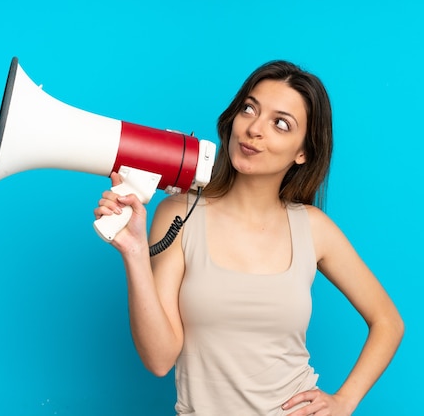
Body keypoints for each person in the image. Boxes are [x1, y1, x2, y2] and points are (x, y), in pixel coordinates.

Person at [94, 60, 404, 416]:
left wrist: (344, 401)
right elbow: (160, 359)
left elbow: (388, 321)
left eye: (280, 124)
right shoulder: (179, 214)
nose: (254, 128)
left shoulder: (313, 228)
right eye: (249, 109)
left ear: (303, 151)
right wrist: (134, 252)